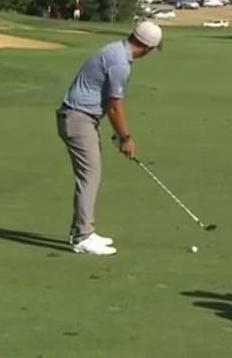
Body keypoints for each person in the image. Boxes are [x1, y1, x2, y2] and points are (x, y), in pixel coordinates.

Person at [56, 21, 163, 256]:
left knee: (91, 175)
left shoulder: (114, 49)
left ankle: (85, 231)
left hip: (80, 117)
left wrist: (117, 133)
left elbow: (105, 100)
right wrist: (126, 138)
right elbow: (115, 106)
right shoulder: (120, 64)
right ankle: (82, 236)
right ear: (146, 47)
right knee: (90, 176)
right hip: (77, 119)